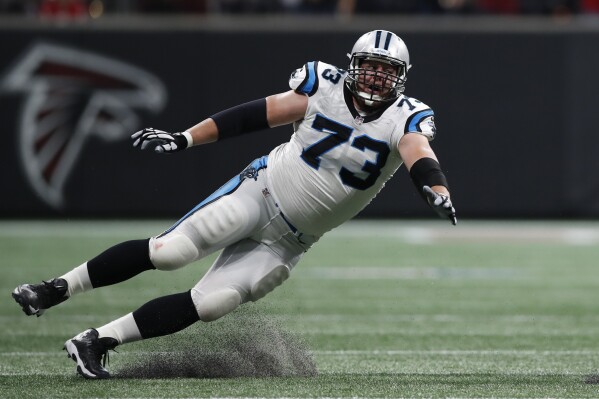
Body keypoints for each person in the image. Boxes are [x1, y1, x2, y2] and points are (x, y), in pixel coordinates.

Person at [11, 30, 457, 379]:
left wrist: (435, 189)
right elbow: (253, 114)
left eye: (387, 70)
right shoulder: (322, 87)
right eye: (371, 67)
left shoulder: (407, 115)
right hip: (261, 194)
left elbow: (419, 152)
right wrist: (186, 137)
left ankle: (96, 341)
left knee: (211, 303)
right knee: (171, 252)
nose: (377, 77)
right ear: (353, 66)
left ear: (401, 75)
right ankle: (53, 289)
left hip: (290, 242)